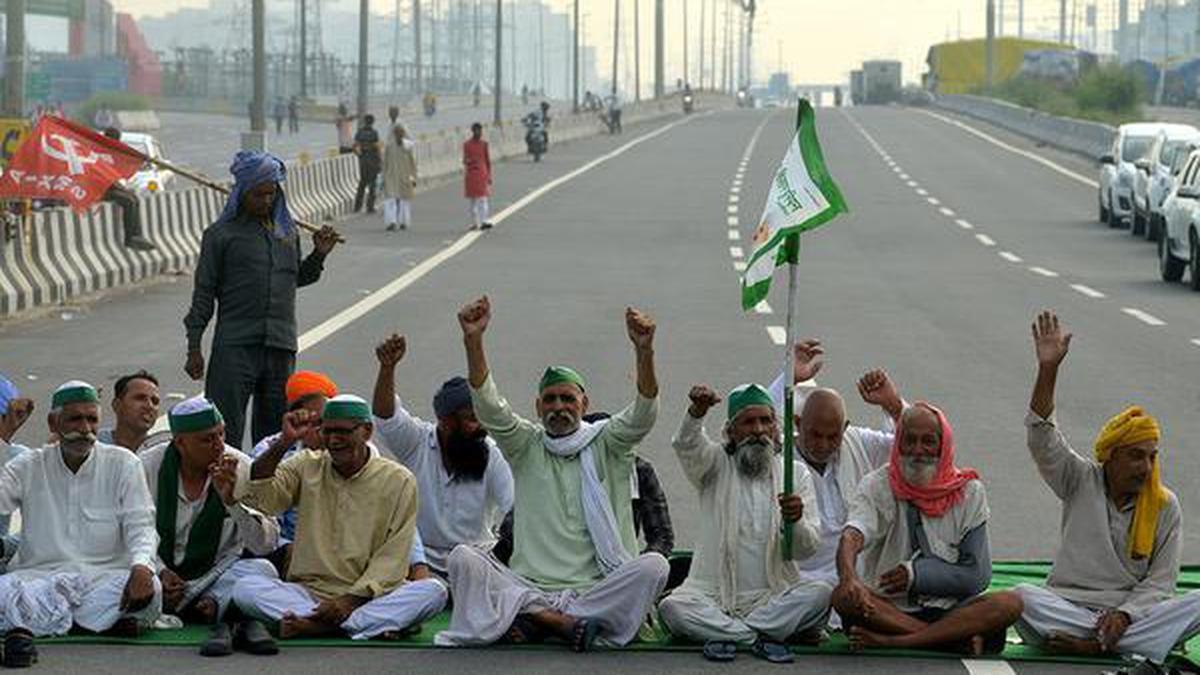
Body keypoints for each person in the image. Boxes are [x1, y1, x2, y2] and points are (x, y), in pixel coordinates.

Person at [435, 296, 669, 651]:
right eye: (550, 400)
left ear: (584, 405)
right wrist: (473, 340)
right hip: (531, 584)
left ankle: (535, 619)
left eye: (567, 399)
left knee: (653, 567)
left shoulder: (609, 442)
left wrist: (645, 351)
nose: (558, 407)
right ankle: (556, 621)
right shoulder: (526, 444)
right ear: (538, 407)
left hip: (598, 587)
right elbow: (489, 405)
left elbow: (644, 413)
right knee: (462, 558)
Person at [1014, 311, 1200, 674]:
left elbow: (1161, 583)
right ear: (1110, 457)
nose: (1145, 468)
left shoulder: (1164, 505)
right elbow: (1041, 436)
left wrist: (1124, 615)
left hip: (1131, 616)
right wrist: (1048, 369)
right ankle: (1109, 644)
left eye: (1151, 457)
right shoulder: (1079, 478)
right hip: (1068, 606)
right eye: (1135, 457)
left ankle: (1094, 645)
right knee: (1021, 597)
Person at [230, 395, 447, 640]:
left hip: (369, 596)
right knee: (245, 589)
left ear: (366, 431)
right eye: (328, 431)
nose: (333, 440)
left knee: (434, 592)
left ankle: (319, 626)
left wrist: (350, 600)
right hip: (308, 593)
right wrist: (284, 442)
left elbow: (393, 556)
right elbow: (265, 496)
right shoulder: (306, 465)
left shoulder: (399, 480)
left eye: (343, 432)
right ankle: (360, 625)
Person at [831, 403, 1023, 654]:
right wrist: (849, 577)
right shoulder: (876, 485)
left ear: (943, 446)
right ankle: (949, 641)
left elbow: (978, 576)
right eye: (909, 441)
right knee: (842, 597)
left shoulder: (969, 492)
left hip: (950, 611)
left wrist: (916, 575)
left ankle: (897, 641)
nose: (918, 450)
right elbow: (852, 534)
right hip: (889, 609)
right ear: (898, 443)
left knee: (1010, 603)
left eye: (928, 442)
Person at [658, 383, 830, 663]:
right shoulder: (713, 465)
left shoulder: (794, 474)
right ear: (731, 431)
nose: (759, 430)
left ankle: (730, 635)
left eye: (766, 421)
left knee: (821, 594)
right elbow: (687, 445)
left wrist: (795, 521)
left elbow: (806, 549)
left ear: (776, 427)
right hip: (714, 597)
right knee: (673, 609)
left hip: (773, 597)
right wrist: (697, 412)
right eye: (749, 422)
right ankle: (758, 637)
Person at [183, 151, 340, 450]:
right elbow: (204, 294)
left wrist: (319, 254)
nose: (266, 201)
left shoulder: (287, 233)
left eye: (271, 194)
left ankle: (265, 495)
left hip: (280, 347)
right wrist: (194, 347)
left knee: (275, 437)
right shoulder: (220, 235)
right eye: (258, 195)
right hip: (235, 346)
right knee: (223, 432)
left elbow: (295, 279)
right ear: (242, 193)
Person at [0, 381, 160, 667]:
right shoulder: (28, 465)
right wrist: (3, 438)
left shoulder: (123, 463)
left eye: (92, 419)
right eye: (75, 419)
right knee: (5, 592)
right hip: (39, 578)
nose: (85, 428)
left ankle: (36, 623)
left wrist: (141, 566)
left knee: (153, 590)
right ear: (53, 422)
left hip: (103, 579)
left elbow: (142, 524)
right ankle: (90, 624)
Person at [140, 397, 280, 657]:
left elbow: (264, 544)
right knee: (125, 579)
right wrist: (159, 571)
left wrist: (233, 503)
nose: (219, 446)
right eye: (207, 439)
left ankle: (213, 603)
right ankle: (222, 611)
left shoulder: (240, 466)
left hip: (215, 578)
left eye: (221, 434)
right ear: (180, 442)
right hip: (158, 573)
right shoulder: (148, 465)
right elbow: (133, 530)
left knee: (263, 570)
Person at [370, 333, 513, 577]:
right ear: (445, 421)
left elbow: (514, 507)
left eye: (483, 418)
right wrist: (387, 368)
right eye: (471, 418)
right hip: (416, 563)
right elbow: (385, 416)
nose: (480, 426)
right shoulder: (416, 441)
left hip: (475, 562)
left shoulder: (490, 453)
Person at [768, 341, 904, 586]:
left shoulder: (858, 443)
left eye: (832, 437)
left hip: (857, 574)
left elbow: (912, 447)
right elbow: (752, 423)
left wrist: (892, 404)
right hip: (797, 580)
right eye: (815, 435)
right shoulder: (779, 453)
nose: (822, 445)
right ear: (797, 424)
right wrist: (788, 378)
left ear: (845, 428)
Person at [250, 370, 339, 552]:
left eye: (325, 422)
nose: (321, 430)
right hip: (290, 555)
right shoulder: (269, 452)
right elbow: (261, 511)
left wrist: (415, 563)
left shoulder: (352, 448)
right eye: (312, 423)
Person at [100, 127, 156, 251]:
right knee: (128, 201)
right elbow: (104, 176)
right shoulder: (100, 153)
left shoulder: (111, 152)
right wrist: (121, 188)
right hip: (98, 189)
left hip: (108, 187)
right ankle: (130, 238)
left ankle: (137, 235)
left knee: (134, 198)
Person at [97, 370, 166, 453]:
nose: (149, 406)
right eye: (140, 398)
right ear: (117, 405)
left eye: (155, 401)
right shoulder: (95, 445)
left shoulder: (160, 452)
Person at [381, 123, 418, 232]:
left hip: (405, 177)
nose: (399, 134)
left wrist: (413, 177)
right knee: (390, 200)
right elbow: (385, 163)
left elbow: (412, 163)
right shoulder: (389, 146)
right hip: (391, 176)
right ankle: (391, 222)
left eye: (400, 133)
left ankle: (404, 222)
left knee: (404, 201)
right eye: (397, 132)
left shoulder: (408, 146)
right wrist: (383, 177)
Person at [462, 123, 493, 230]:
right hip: (471, 175)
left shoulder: (484, 144)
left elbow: (488, 161)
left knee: (483, 199)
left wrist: (489, 176)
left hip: (482, 175)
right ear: (472, 131)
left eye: (480, 131)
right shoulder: (466, 145)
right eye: (476, 131)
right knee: (473, 201)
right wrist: (470, 161)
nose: (478, 133)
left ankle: (484, 221)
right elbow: (465, 160)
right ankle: (475, 223)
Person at [353, 114, 383, 214]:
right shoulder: (374, 133)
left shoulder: (360, 132)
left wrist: (360, 155)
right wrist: (380, 161)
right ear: (372, 122)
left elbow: (355, 146)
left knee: (362, 183)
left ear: (365, 121)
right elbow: (377, 147)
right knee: (372, 184)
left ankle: (357, 206)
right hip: (373, 161)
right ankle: (370, 206)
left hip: (363, 161)